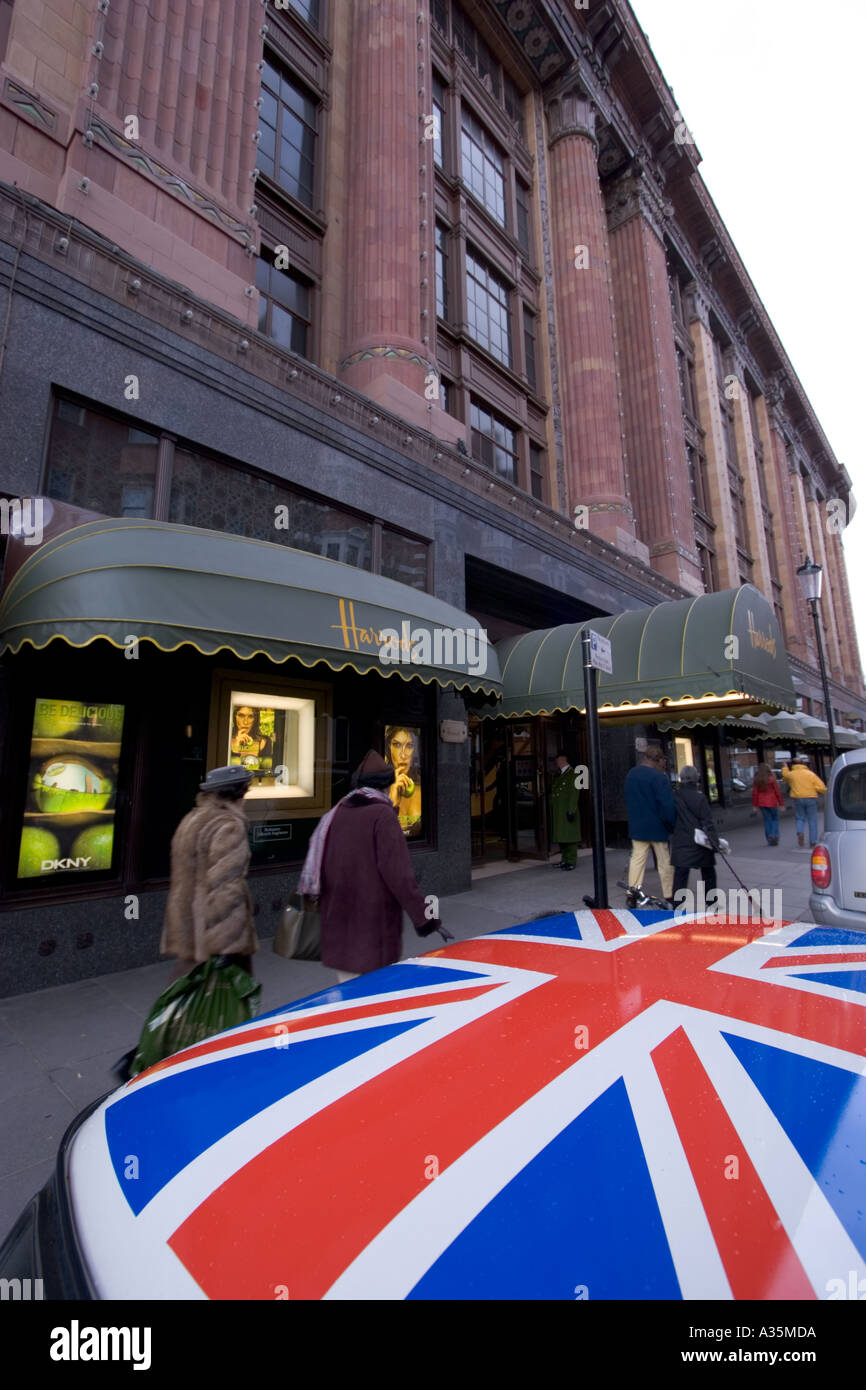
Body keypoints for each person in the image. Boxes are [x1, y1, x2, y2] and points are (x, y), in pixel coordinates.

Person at [299, 749, 448, 982]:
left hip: (337, 925)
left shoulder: (335, 814)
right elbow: (400, 876)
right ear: (387, 787)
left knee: (348, 994)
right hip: (371, 929)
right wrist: (426, 919)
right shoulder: (382, 815)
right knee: (372, 999)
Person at [160, 764, 258, 980]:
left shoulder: (192, 819)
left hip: (187, 921)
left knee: (185, 989)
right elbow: (226, 886)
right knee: (227, 1001)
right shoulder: (229, 825)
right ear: (240, 794)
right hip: (216, 934)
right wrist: (226, 944)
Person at [624, 744, 676, 906]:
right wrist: (671, 824)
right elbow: (667, 805)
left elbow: (627, 798)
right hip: (657, 826)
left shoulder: (631, 774)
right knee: (664, 861)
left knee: (637, 859)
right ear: (658, 760)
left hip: (638, 823)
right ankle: (669, 894)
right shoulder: (659, 778)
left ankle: (632, 892)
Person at [670, 764, 722, 898]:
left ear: (681, 779)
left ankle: (678, 906)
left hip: (681, 841)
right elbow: (708, 822)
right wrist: (714, 842)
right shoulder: (700, 797)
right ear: (696, 779)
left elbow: (669, 818)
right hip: (700, 842)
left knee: (680, 875)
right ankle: (711, 903)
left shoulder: (674, 796)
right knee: (708, 872)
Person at [780, 754, 827, 847]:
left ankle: (800, 831)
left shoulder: (791, 774)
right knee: (812, 820)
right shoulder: (810, 774)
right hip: (810, 798)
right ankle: (813, 841)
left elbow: (785, 777)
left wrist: (785, 768)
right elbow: (822, 787)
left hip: (797, 798)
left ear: (793, 765)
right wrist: (822, 791)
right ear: (803, 764)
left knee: (800, 817)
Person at [385, 725, 423, 837]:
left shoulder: (423, 787)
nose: (403, 754)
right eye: (397, 745)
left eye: (409, 746)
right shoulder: (378, 788)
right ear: (389, 747)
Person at [550, 752, 581, 870]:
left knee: (570, 837)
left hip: (567, 809)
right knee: (562, 837)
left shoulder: (574, 774)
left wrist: (571, 810)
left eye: (558, 761)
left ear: (563, 760)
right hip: (559, 810)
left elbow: (574, 794)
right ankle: (564, 860)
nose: (557, 763)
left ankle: (571, 861)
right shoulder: (560, 775)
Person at [751, 762, 784, 845]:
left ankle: (769, 836)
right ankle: (775, 835)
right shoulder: (772, 779)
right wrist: (781, 803)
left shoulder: (757, 780)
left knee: (767, 820)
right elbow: (777, 792)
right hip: (772, 802)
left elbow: (755, 793)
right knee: (775, 819)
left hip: (761, 803)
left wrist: (755, 805)